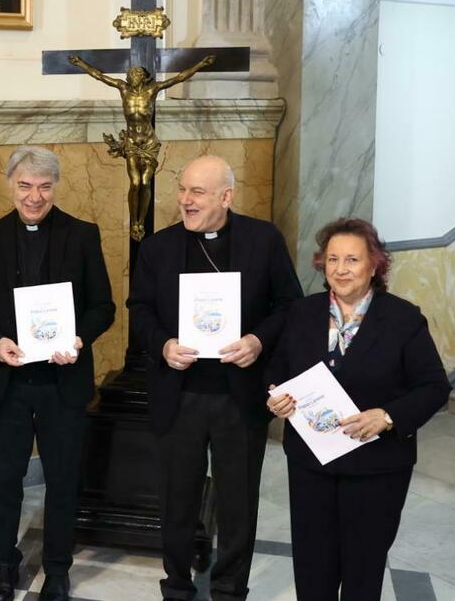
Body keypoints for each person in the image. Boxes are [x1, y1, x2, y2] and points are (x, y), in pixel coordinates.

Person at [127, 154, 302, 601]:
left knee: (238, 502)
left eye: (197, 192)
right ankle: (176, 586)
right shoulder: (157, 247)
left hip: (239, 397)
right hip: (179, 394)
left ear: (226, 197)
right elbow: (139, 309)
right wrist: (163, 345)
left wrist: (258, 341)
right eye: (183, 189)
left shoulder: (263, 240)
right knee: (176, 499)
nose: (185, 200)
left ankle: (229, 589)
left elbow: (289, 304)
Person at [266, 218, 450, 600]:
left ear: (374, 265)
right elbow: (275, 372)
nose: (340, 269)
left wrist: (387, 416)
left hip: (376, 468)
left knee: (362, 572)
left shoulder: (403, 318)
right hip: (311, 465)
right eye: (332, 259)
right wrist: (273, 396)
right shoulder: (302, 313)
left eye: (352, 260)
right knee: (312, 568)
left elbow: (434, 387)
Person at [0, 146, 115, 601]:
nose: (34, 197)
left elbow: (103, 306)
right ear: (10, 185)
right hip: (8, 383)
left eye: (45, 187)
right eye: (25, 186)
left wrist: (78, 339)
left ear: (56, 187)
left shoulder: (82, 235)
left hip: (62, 383)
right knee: (6, 481)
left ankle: (58, 569)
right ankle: (4, 564)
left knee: (63, 481)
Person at [68, 53, 215, 240]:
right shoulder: (123, 88)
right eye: (131, 73)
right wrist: (80, 63)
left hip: (148, 143)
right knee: (135, 182)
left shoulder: (152, 90)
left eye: (137, 73)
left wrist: (201, 63)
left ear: (144, 77)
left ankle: (140, 221)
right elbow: (99, 76)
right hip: (131, 142)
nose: (133, 75)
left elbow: (179, 78)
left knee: (145, 183)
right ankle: (134, 222)